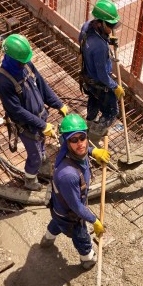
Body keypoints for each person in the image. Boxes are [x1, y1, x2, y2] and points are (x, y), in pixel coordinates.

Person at [0, 34, 68, 191]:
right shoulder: (3, 81)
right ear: (11, 58)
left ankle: (41, 159)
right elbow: (16, 111)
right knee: (34, 156)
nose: (25, 63)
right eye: (21, 62)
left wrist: (58, 104)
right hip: (27, 126)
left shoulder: (25, 64)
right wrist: (42, 125)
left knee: (41, 144)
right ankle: (30, 180)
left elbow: (41, 84)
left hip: (40, 118)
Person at [39, 114, 111, 270]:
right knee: (82, 237)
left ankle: (47, 239)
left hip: (59, 209)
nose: (80, 143)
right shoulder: (68, 175)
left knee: (56, 222)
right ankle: (88, 259)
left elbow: (83, 150)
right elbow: (76, 207)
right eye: (74, 139)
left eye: (82, 137)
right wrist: (94, 221)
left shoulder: (75, 152)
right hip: (69, 215)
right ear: (66, 141)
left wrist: (93, 151)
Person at [79, 0, 123, 138]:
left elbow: (86, 43)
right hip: (100, 82)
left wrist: (108, 40)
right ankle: (96, 133)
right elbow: (102, 75)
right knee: (111, 111)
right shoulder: (100, 47)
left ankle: (90, 121)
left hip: (87, 76)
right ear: (100, 23)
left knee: (94, 99)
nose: (112, 28)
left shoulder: (86, 26)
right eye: (110, 25)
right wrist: (115, 86)